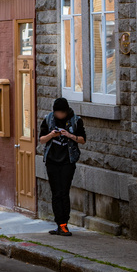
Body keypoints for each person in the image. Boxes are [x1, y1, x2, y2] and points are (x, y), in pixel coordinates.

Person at [39, 96, 86, 236]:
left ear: (66, 111)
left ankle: (64, 224)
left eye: (62, 113)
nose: (59, 115)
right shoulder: (48, 119)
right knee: (55, 193)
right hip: (52, 161)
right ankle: (59, 224)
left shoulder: (75, 120)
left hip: (67, 161)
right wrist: (51, 135)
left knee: (64, 192)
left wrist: (70, 135)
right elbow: (41, 140)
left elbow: (83, 140)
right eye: (57, 113)